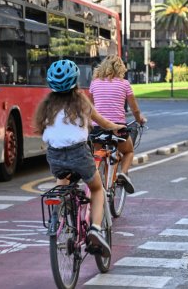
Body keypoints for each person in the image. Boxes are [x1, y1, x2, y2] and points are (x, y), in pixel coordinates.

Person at [34, 59, 124, 257]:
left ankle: (60, 215)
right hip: (79, 154)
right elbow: (102, 122)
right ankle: (95, 229)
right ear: (75, 82)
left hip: (55, 156)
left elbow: (42, 129)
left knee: (62, 184)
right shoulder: (81, 102)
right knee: (97, 189)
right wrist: (117, 127)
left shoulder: (46, 106)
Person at [89, 55, 147, 194]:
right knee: (128, 151)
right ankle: (124, 173)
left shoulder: (94, 83)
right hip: (117, 128)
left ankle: (96, 178)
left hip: (98, 128)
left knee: (97, 153)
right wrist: (140, 119)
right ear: (120, 68)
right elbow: (135, 109)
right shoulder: (124, 84)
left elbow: (92, 107)